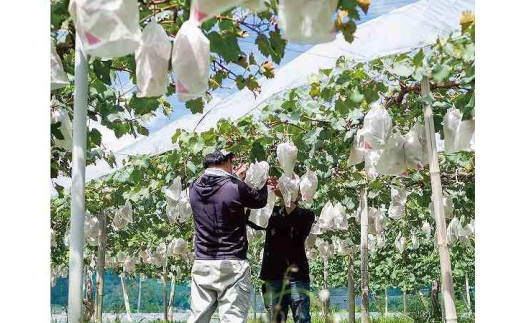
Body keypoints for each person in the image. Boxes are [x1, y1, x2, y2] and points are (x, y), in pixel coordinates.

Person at [187, 150, 271, 323]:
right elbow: (259, 201)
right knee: (233, 319)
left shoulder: (193, 187)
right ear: (226, 162)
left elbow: (222, 195)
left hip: (203, 262)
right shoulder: (235, 186)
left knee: (198, 318)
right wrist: (262, 180)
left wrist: (236, 179)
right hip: (232, 264)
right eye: (232, 163)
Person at [259, 186, 315, 323]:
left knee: (302, 319)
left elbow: (293, 213)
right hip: (273, 277)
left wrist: (285, 193)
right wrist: (266, 190)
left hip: (297, 278)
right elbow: (252, 215)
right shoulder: (271, 213)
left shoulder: (306, 215)